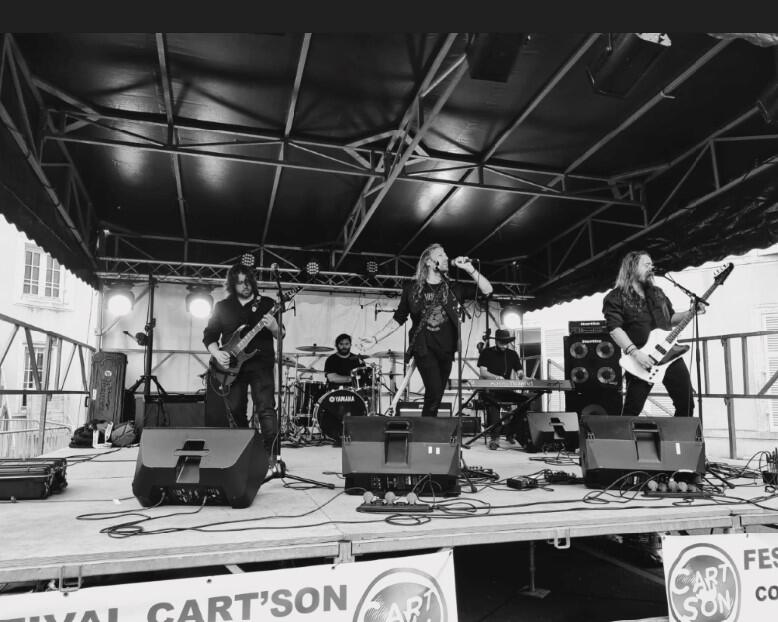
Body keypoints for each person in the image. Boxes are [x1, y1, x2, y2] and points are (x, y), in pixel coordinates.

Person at [359, 243, 493, 417]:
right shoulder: (412, 289)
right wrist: (375, 338)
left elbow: (488, 291)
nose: (446, 258)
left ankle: (427, 425)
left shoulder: (454, 288)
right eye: (441, 255)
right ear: (429, 262)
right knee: (434, 389)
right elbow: (398, 318)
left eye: (446, 255)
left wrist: (469, 268)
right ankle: (428, 427)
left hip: (446, 349)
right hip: (423, 347)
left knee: (436, 395)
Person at [603, 250, 703, 417]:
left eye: (652, 264)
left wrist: (691, 312)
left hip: (669, 354)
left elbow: (670, 319)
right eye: (646, 264)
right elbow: (615, 329)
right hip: (642, 359)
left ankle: (677, 435)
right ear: (631, 268)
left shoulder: (657, 293)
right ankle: (625, 435)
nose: (651, 268)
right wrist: (636, 353)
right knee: (632, 410)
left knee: (686, 404)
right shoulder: (615, 297)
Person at [203, 263, 282, 458]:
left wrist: (274, 327)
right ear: (232, 285)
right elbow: (209, 335)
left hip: (261, 364)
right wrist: (217, 353)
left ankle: (272, 456)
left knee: (266, 408)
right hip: (231, 367)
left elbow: (281, 335)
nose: (245, 286)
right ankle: (246, 452)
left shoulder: (268, 304)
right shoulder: (222, 307)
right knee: (235, 409)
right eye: (239, 283)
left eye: (247, 281)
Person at [476, 328, 525, 449]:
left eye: (506, 342)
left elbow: (519, 370)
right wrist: (496, 377)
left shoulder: (512, 354)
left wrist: (521, 375)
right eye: (501, 342)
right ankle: (495, 438)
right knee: (494, 404)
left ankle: (510, 432)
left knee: (525, 401)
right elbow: (483, 372)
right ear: (496, 341)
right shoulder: (487, 352)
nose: (504, 344)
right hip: (489, 391)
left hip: (505, 390)